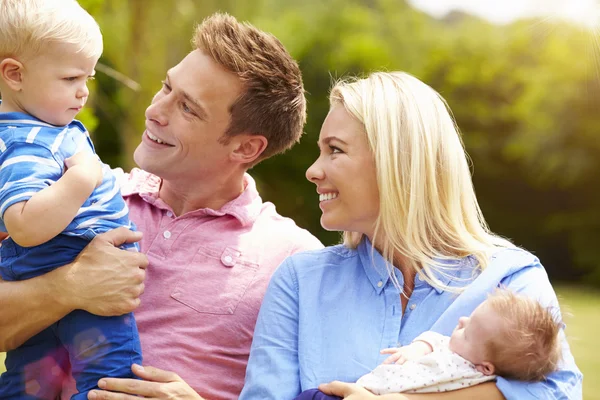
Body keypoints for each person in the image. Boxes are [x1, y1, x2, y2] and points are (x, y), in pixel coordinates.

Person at [0, 12, 322, 400]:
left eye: (187, 107)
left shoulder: (295, 258)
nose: (156, 111)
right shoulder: (74, 196)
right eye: (166, 87)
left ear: (246, 147)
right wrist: (67, 289)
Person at [239, 71, 582, 400]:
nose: (312, 171)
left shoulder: (508, 277)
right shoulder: (299, 281)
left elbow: (557, 393)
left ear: (396, 161)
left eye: (336, 150)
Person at [0, 0, 142, 398]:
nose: (82, 92)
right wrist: (83, 177)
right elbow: (24, 225)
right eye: (69, 78)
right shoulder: (27, 142)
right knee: (112, 375)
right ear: (14, 75)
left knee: (31, 380)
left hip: (57, 260)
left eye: (88, 79)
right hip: (67, 254)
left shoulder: (42, 125)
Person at [294, 289, 563, 399]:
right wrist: (416, 348)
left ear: (486, 367)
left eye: (468, 331)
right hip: (360, 390)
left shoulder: (471, 378)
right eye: (469, 317)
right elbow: (433, 339)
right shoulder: (453, 348)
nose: (460, 321)